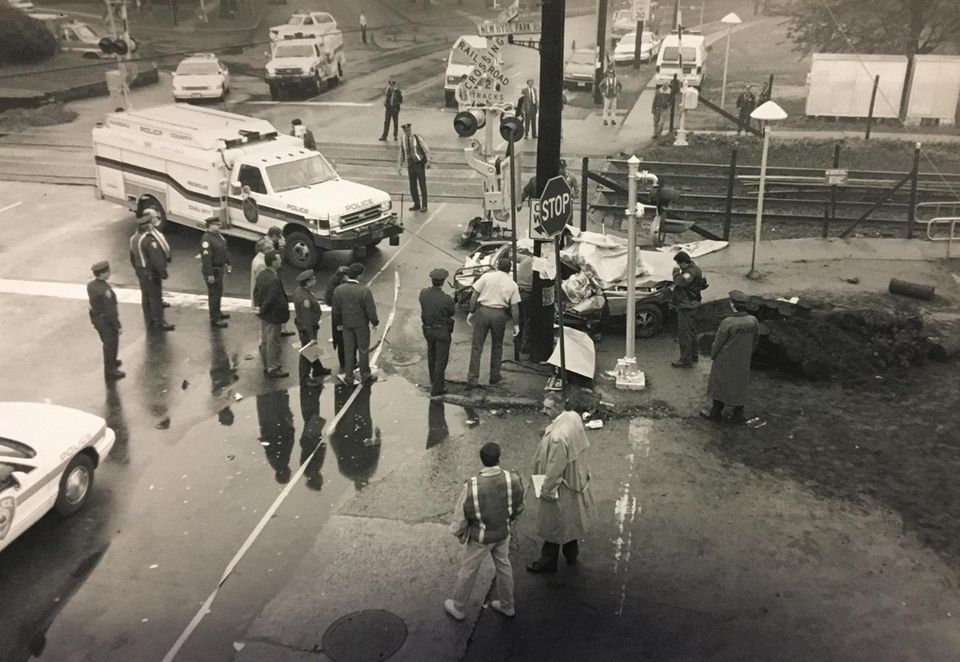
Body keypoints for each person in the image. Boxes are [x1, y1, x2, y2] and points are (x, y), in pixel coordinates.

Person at [445, 442, 525, 621]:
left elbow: (461, 516)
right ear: (499, 458)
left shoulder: (472, 485)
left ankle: (458, 607)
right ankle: (507, 605)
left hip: (481, 537)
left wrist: (459, 533)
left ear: (481, 460)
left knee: (468, 570)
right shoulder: (512, 479)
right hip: (503, 532)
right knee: (504, 566)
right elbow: (519, 505)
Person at [527, 393, 596, 574]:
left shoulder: (557, 437)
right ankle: (571, 553)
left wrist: (547, 491)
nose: (544, 411)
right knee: (569, 520)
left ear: (558, 408)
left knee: (554, 524)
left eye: (548, 408)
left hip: (561, 485)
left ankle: (548, 561)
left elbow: (554, 468)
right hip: (576, 478)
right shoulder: (572, 417)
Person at [701, 297, 760, 424]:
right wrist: (748, 353)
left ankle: (716, 411)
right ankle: (738, 414)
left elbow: (718, 342)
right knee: (740, 384)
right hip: (743, 359)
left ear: (733, 305)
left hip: (725, 358)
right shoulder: (752, 321)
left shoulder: (728, 322)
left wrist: (713, 355)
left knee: (720, 383)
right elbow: (755, 340)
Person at [467, 256, 521, 388]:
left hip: (484, 312)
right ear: (509, 270)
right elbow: (514, 307)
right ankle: (494, 376)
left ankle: (473, 379)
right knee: (497, 346)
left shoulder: (487, 277)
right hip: (499, 315)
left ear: (497, 266)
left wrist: (472, 311)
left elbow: (474, 294)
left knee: (477, 346)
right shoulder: (512, 284)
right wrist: (516, 325)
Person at [331, 262, 379, 385]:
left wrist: (339, 324)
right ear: (359, 276)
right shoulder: (364, 291)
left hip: (346, 325)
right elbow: (370, 310)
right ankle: (365, 374)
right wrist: (374, 322)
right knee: (363, 350)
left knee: (348, 351)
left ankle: (349, 376)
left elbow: (335, 311)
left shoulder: (338, 290)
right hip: (361, 325)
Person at [129, 215, 173, 331]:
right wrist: (163, 272)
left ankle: (149, 319)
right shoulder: (149, 240)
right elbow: (156, 258)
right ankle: (159, 321)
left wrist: (137, 269)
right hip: (150, 273)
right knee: (155, 297)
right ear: (148, 225)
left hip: (141, 271)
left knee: (146, 295)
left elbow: (132, 257)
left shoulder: (134, 238)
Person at [419, 267, 456, 396]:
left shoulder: (423, 293)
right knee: (441, 359)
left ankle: (433, 379)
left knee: (431, 354)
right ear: (443, 281)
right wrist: (451, 298)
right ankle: (437, 388)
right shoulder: (446, 299)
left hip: (428, 329)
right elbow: (452, 312)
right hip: (441, 331)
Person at [253, 251, 290, 378]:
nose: (280, 261)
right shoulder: (274, 279)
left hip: (264, 315)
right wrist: (263, 308)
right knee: (273, 342)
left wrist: (258, 307)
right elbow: (272, 298)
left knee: (265, 341)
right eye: (278, 260)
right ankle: (273, 368)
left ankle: (267, 365)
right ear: (273, 262)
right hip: (273, 314)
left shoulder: (261, 275)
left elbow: (256, 292)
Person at [293, 270, 332, 386]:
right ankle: (304, 377)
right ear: (308, 282)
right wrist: (311, 337)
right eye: (313, 278)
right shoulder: (305, 298)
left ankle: (318, 369)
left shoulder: (300, 291)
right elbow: (307, 319)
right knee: (307, 351)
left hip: (303, 326)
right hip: (307, 328)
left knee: (311, 349)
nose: (315, 279)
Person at [87, 261, 124, 381]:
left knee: (107, 341)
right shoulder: (105, 290)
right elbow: (110, 310)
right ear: (102, 274)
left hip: (96, 318)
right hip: (106, 320)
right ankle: (110, 370)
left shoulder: (91, 285)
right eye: (107, 272)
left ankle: (112, 362)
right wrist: (117, 325)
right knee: (111, 344)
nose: (109, 273)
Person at [670, 251, 707, 368]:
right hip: (692, 303)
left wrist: (675, 273)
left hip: (687, 305)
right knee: (691, 331)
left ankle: (685, 359)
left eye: (679, 264)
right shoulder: (694, 269)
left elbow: (680, 282)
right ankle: (693, 355)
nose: (679, 266)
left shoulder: (689, 272)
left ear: (684, 262)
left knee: (684, 333)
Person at [200, 217, 231, 328]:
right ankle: (214, 318)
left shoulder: (218, 236)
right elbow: (206, 259)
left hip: (220, 268)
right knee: (214, 294)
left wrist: (228, 263)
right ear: (210, 225)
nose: (218, 226)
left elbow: (223, 250)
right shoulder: (206, 240)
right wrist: (209, 274)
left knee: (218, 292)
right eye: (216, 224)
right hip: (213, 270)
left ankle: (217, 312)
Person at [143, 208, 172, 309]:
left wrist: (167, 256)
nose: (157, 218)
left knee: (158, 286)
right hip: (153, 268)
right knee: (154, 287)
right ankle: (156, 306)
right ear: (150, 219)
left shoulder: (155, 230)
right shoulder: (147, 235)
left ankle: (159, 300)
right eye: (155, 217)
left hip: (159, 264)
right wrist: (162, 270)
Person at [398, 123, 429, 212]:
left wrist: (428, 161)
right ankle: (417, 203)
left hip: (418, 163)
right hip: (410, 165)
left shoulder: (417, 137)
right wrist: (399, 166)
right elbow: (401, 153)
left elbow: (425, 148)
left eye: (408, 130)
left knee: (422, 184)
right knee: (412, 186)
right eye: (405, 131)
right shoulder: (403, 139)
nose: (407, 132)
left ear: (410, 130)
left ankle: (424, 205)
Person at [325, 265, 351, 370]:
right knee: (343, 341)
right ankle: (345, 363)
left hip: (338, 315)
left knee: (341, 341)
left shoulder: (333, 281)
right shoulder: (338, 286)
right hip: (340, 316)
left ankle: (345, 362)